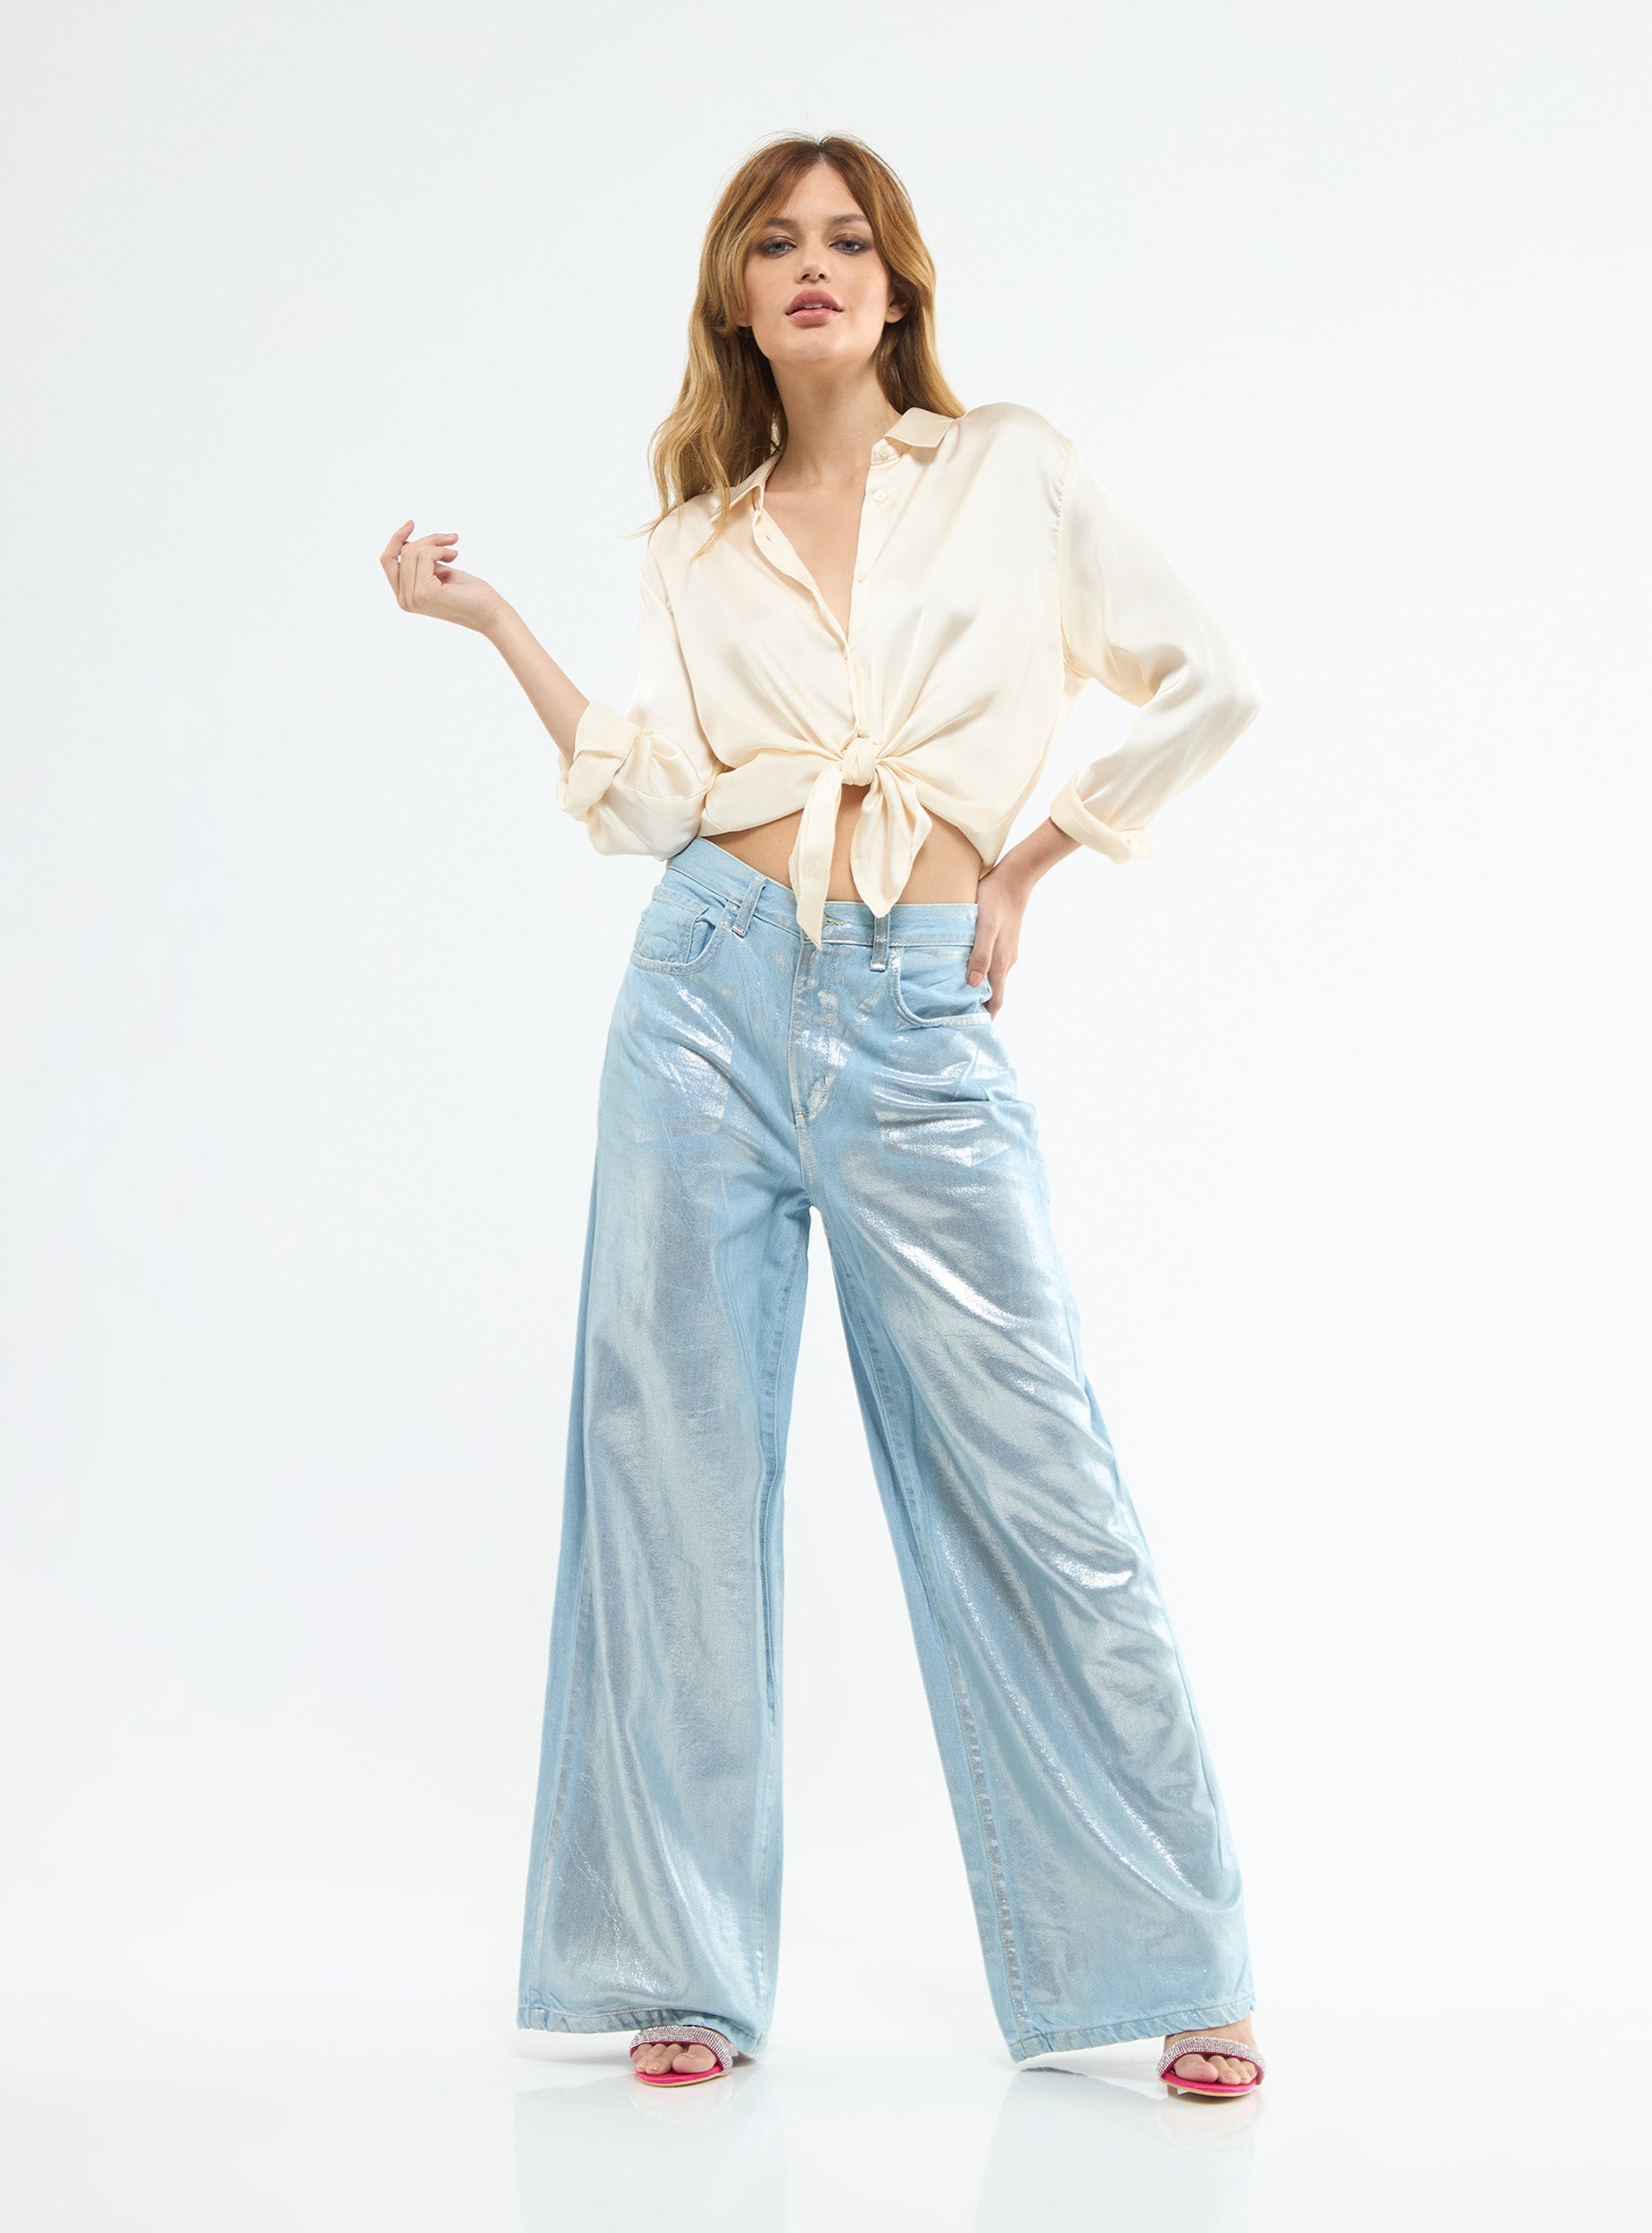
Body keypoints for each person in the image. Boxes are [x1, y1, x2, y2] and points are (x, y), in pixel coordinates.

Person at [380, 131, 1266, 2102]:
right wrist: (495, 622)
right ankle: (676, 1969)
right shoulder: (697, 542)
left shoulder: (1010, 471)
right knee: (670, 1484)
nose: (814, 265)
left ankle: (1172, 1957)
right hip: (701, 994)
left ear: (896, 283)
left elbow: (1206, 680)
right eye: (775, 241)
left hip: (915, 1007)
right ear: (735, 294)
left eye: (848, 240)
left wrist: (1030, 862)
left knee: (1039, 1479)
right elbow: (649, 795)